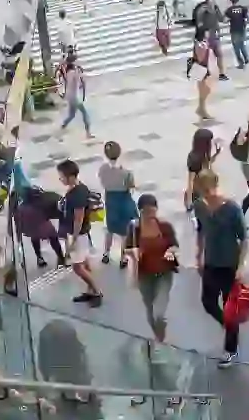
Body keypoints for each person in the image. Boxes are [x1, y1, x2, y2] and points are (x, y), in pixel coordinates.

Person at [194, 169, 248, 369]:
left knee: (229, 307)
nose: (206, 195)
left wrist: (241, 266)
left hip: (229, 264)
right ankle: (229, 327)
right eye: (202, 191)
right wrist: (198, 255)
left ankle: (231, 349)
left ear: (216, 186)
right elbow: (200, 230)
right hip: (210, 261)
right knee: (208, 301)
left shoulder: (232, 208)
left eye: (208, 190)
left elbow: (244, 239)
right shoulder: (200, 207)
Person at [126, 194, 178, 352]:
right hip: (144, 275)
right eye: (146, 211)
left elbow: (175, 245)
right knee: (149, 310)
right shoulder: (134, 229)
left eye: (153, 211)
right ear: (140, 211)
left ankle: (160, 338)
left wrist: (170, 250)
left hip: (164, 273)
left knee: (158, 312)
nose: (150, 214)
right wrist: (134, 253)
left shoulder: (165, 226)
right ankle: (159, 338)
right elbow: (127, 249)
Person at [57, 160, 103, 306]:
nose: (60, 179)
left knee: (77, 267)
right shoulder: (79, 187)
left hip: (78, 234)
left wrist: (73, 241)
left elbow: (78, 219)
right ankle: (90, 290)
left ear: (70, 177)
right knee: (85, 262)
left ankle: (96, 291)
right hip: (81, 233)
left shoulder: (77, 195)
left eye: (62, 177)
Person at [97, 141, 136, 268]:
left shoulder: (102, 169)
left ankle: (106, 254)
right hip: (123, 200)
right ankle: (123, 257)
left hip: (110, 199)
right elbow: (131, 186)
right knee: (124, 231)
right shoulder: (126, 172)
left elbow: (103, 183)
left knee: (110, 228)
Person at [224, 0, 249, 68]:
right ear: (238, 0)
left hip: (234, 30)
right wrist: (245, 23)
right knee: (242, 45)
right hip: (242, 29)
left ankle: (241, 63)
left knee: (236, 47)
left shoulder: (229, 10)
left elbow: (225, 20)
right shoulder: (243, 8)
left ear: (230, 0)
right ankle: (246, 58)